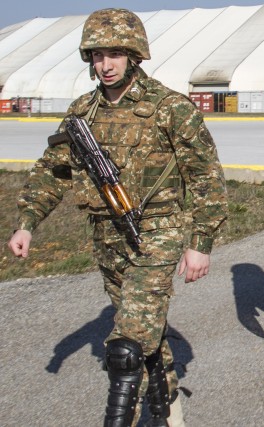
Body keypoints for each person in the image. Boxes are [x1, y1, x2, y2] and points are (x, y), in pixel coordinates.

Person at [7, 8, 228, 426]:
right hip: (107, 238)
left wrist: (200, 243)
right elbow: (53, 170)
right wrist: (27, 222)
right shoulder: (81, 112)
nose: (104, 65)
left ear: (134, 54)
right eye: (96, 55)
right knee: (146, 334)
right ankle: (168, 409)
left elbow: (206, 179)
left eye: (114, 54)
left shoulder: (170, 108)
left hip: (157, 236)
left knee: (125, 348)